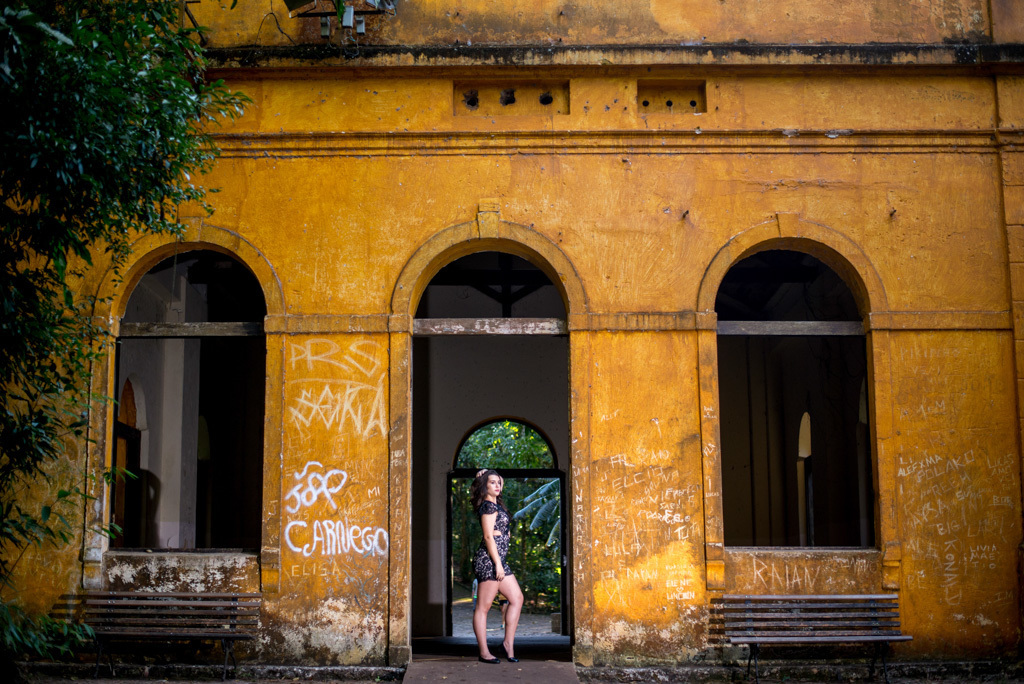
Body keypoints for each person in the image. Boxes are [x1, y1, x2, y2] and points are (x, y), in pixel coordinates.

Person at [470, 469, 524, 664]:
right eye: (492, 482)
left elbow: (498, 482)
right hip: (489, 561)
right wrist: (498, 564)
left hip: (499, 560)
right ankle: (484, 652)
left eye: (498, 482)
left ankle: (507, 644)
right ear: (485, 486)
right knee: (483, 608)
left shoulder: (496, 505)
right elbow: (487, 536)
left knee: (517, 598)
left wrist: (489, 475)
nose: (497, 485)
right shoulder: (487, 507)